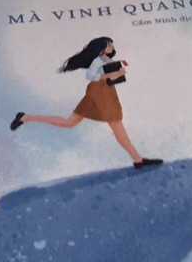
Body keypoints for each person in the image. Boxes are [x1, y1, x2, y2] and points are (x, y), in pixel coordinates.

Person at [9, 36, 161, 168]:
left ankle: (25, 117)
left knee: (69, 123)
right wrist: (113, 75)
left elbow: (107, 76)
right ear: (102, 48)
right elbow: (90, 76)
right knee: (117, 127)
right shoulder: (98, 60)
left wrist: (117, 74)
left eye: (112, 44)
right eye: (109, 44)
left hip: (105, 93)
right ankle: (138, 160)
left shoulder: (106, 59)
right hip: (100, 95)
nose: (112, 46)